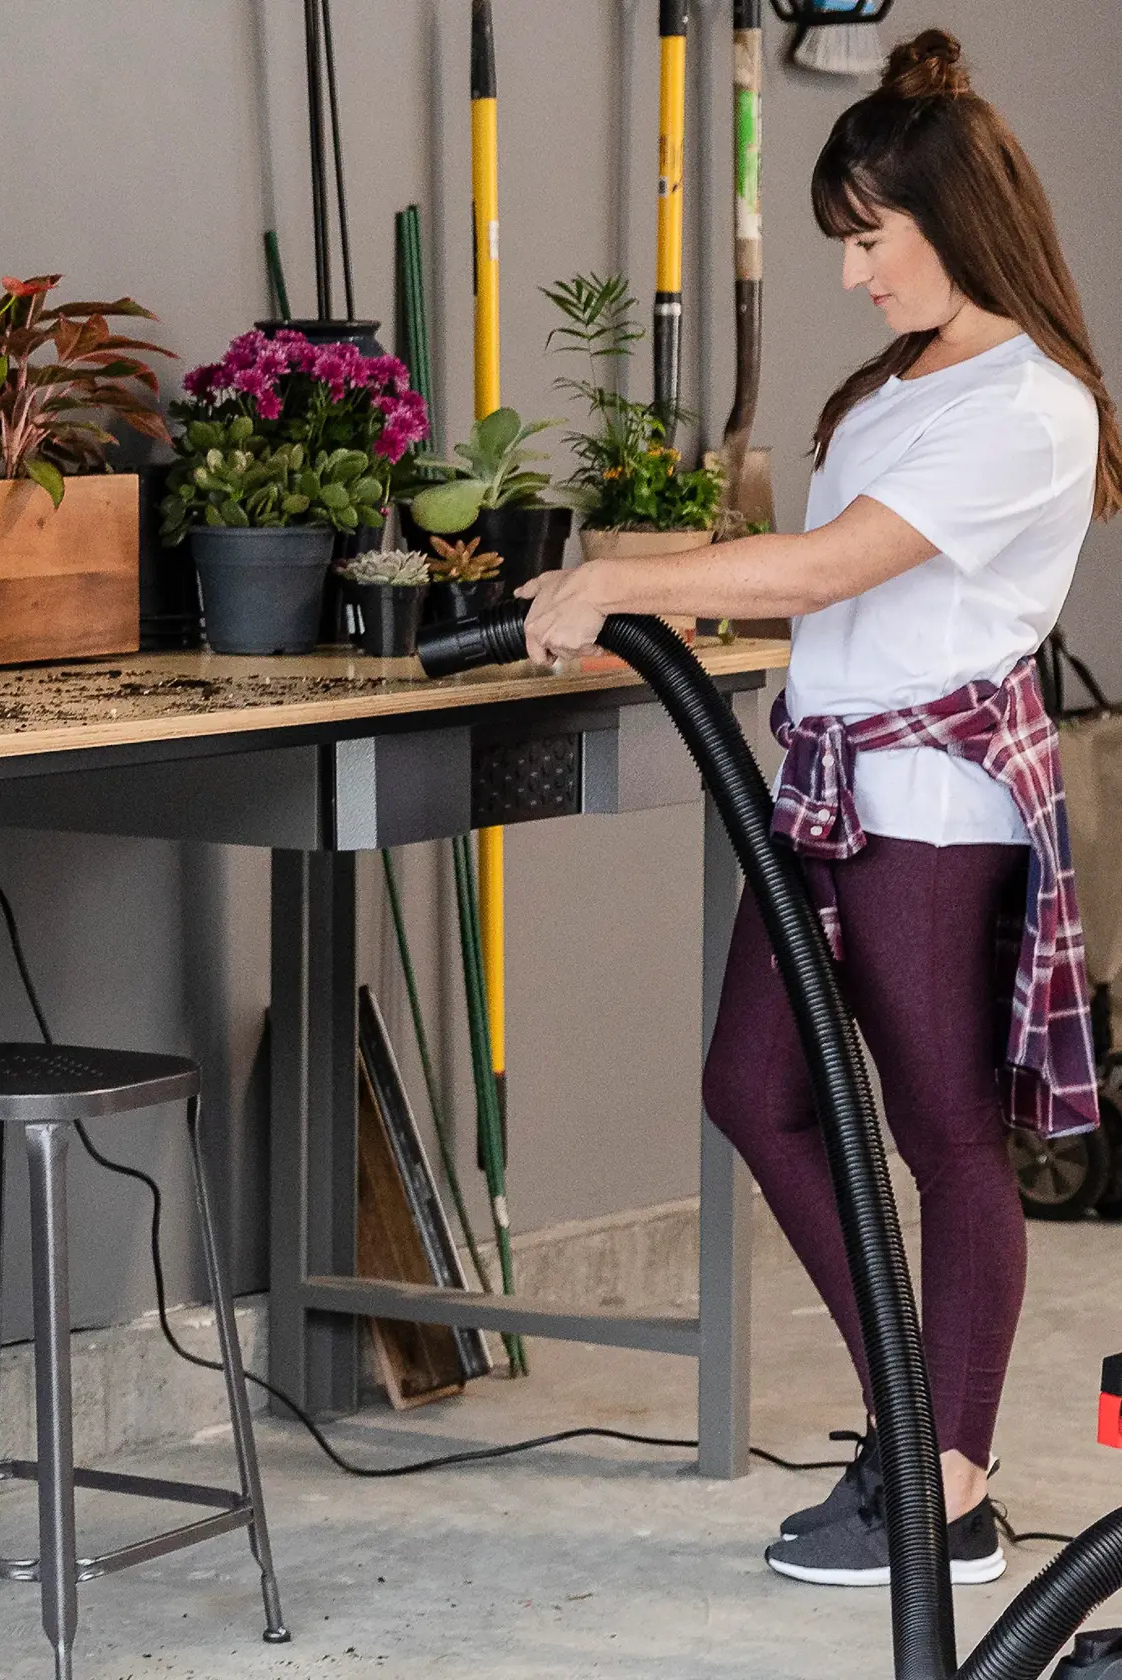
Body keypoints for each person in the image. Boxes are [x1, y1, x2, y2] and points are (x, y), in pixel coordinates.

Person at [517, 27, 1120, 1588]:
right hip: (830, 787)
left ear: (956, 221)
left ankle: (951, 1492)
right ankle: (918, 1435)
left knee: (943, 1140)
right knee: (756, 1090)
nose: (853, 275)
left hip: (935, 808)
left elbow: (841, 565)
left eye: (871, 241)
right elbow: (809, 574)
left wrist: (625, 581)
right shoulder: (901, 380)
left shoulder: (1031, 405)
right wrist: (629, 580)